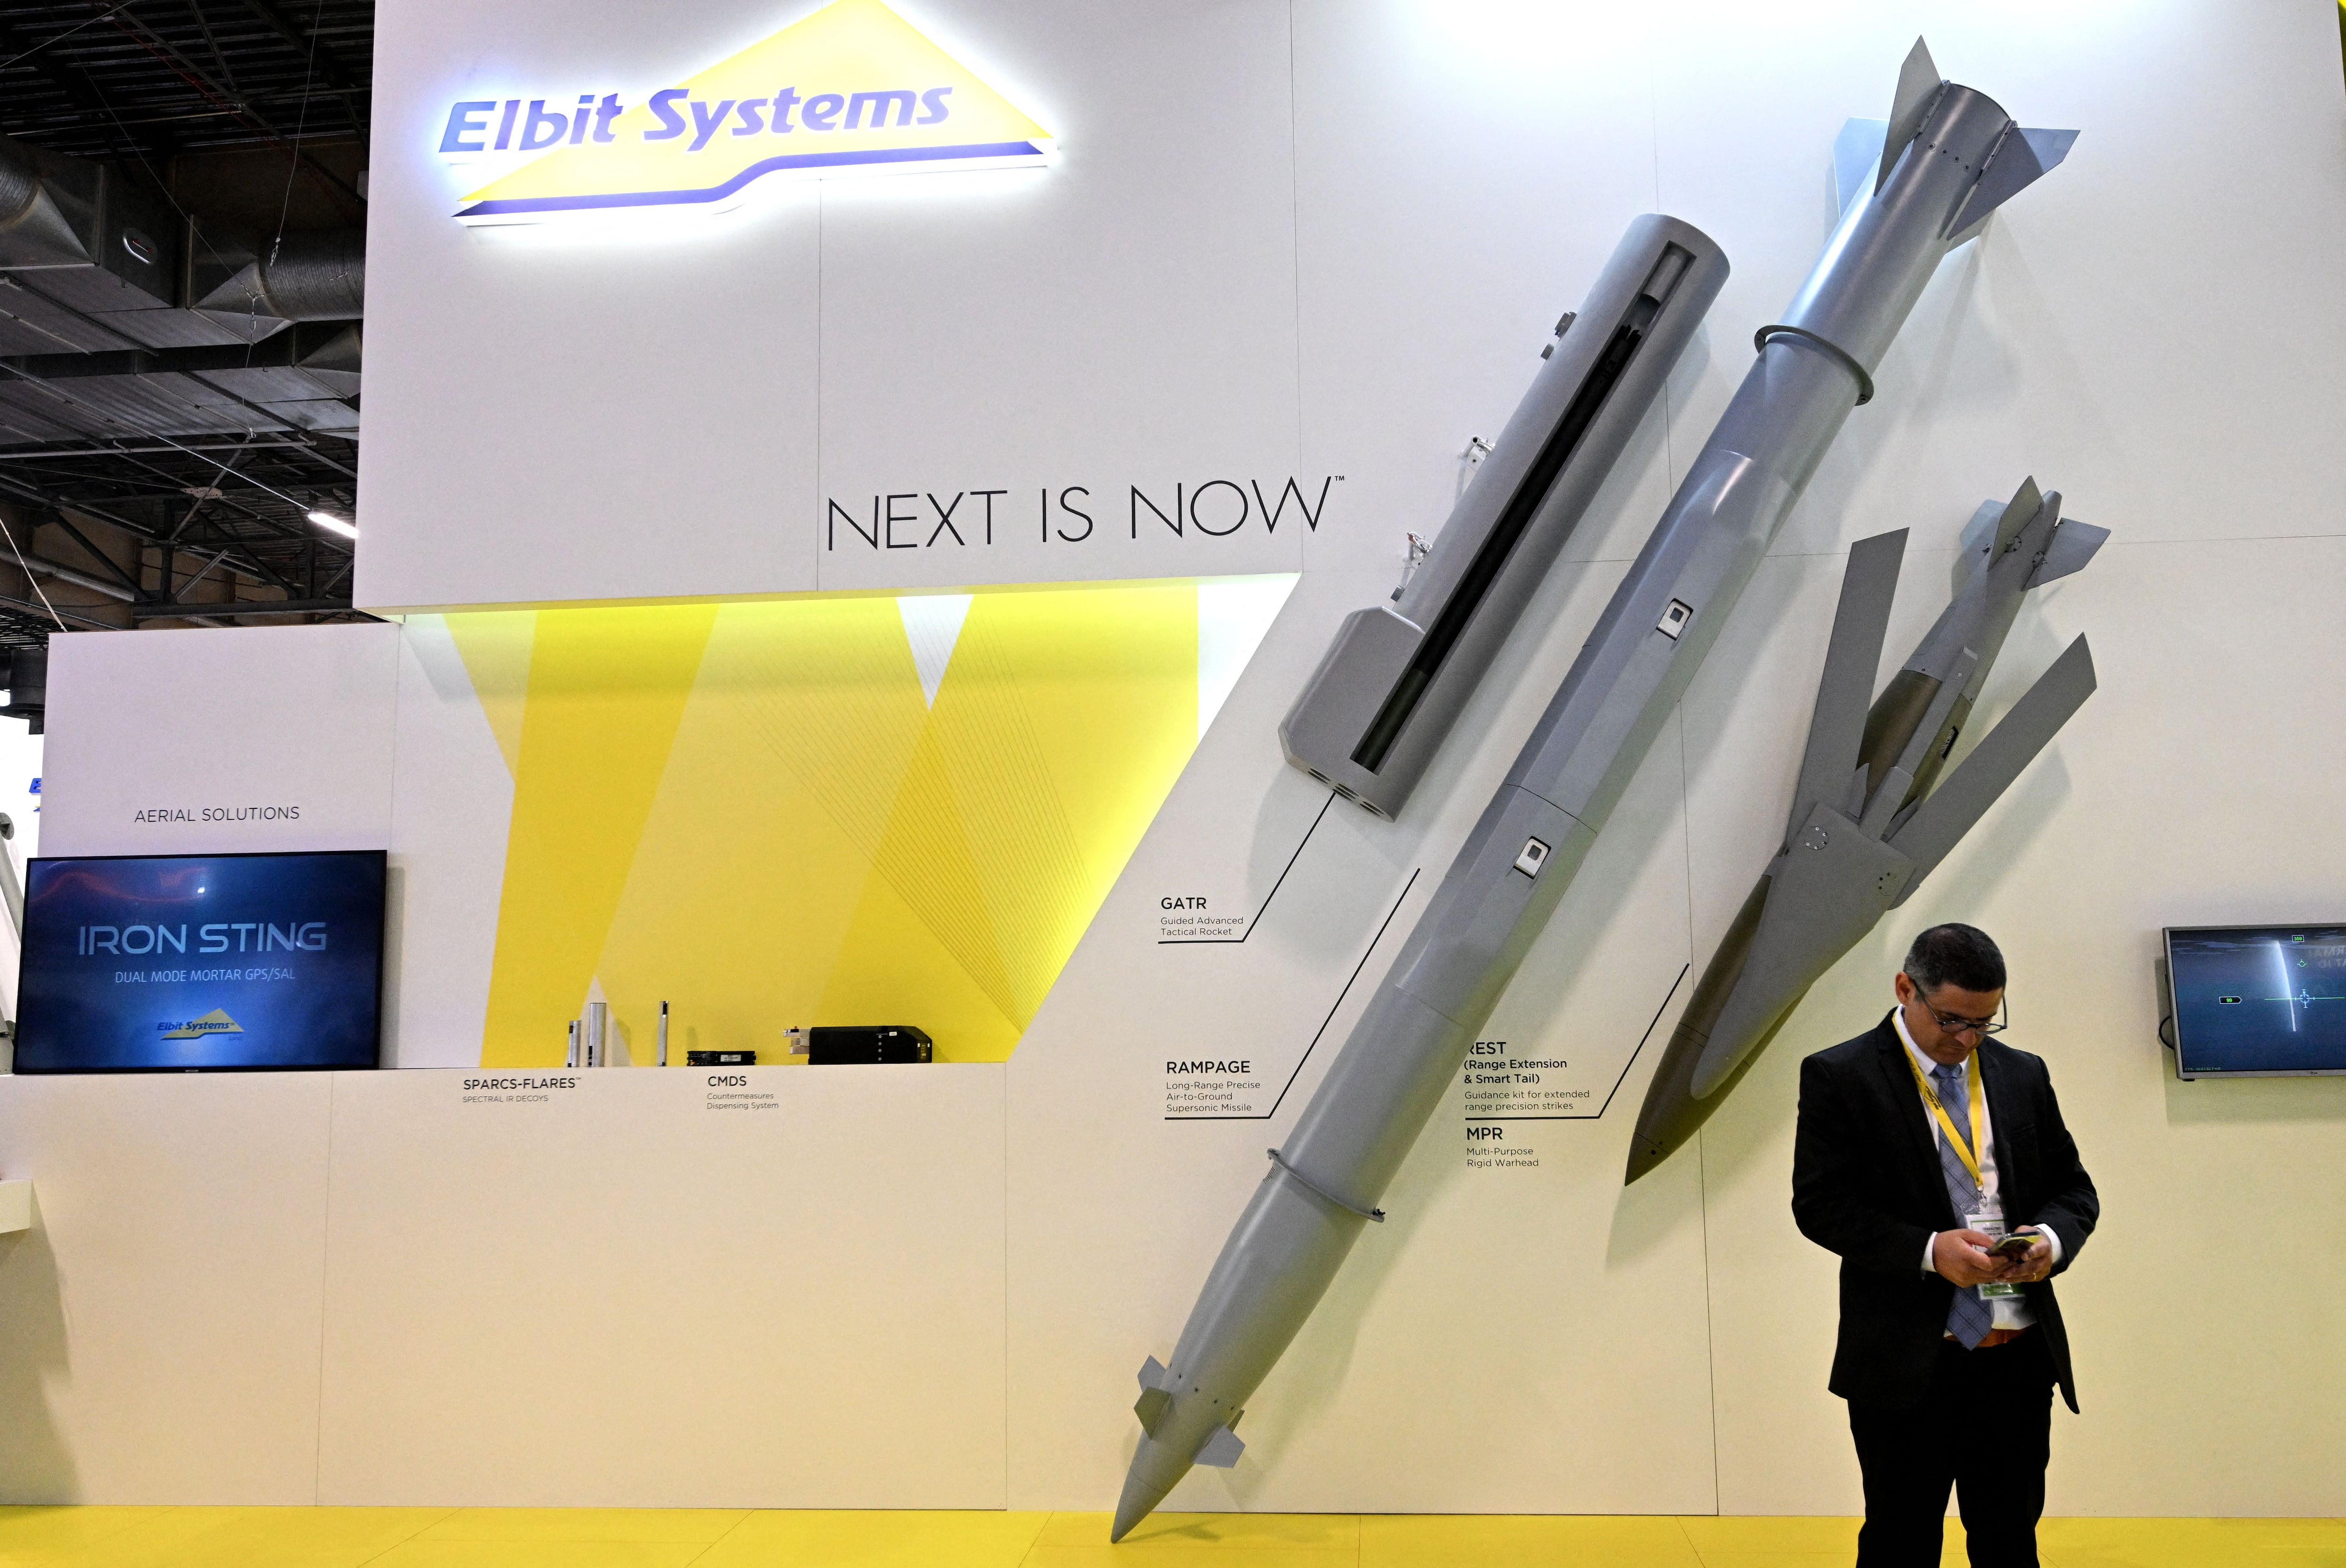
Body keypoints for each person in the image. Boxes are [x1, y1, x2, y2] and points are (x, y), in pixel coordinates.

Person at [1791, 923, 2099, 1568]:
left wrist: (2046, 1240)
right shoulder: (1840, 1075)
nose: (1968, 1039)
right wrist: (1930, 1251)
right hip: (1908, 1362)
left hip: (2016, 1359)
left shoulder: (2021, 1073)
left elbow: (2074, 1192)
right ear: (1906, 988)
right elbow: (1822, 1207)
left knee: (2010, 1542)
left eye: (1986, 1021)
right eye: (1953, 1019)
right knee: (1901, 1543)